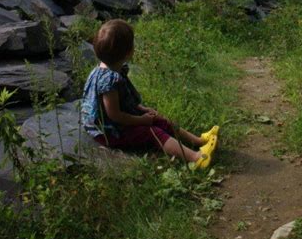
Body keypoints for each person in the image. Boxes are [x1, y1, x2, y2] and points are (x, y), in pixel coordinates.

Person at [81, 19, 219, 169]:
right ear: (128, 52)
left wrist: (141, 109)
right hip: (109, 132)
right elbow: (115, 115)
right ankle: (196, 158)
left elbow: (125, 102)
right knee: (153, 132)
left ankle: (198, 141)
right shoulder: (109, 81)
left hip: (115, 123)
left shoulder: (109, 70)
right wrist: (141, 120)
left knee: (159, 119)